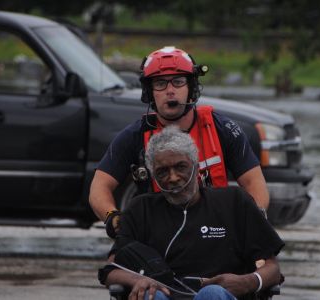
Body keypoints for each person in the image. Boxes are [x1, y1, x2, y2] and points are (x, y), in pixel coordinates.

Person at [89, 46, 269, 238]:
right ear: (149, 92)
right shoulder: (133, 136)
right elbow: (99, 187)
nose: (170, 91)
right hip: (162, 235)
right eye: (160, 83)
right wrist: (112, 217)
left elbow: (254, 182)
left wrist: (252, 222)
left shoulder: (222, 129)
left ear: (191, 88)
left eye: (178, 82)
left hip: (216, 233)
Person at [98, 126, 284, 300]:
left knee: (211, 293)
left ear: (196, 166)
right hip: (164, 293)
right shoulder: (141, 209)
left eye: (180, 167)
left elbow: (273, 268)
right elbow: (110, 270)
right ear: (153, 176)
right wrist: (137, 281)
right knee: (152, 294)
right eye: (162, 171)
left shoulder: (234, 202)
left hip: (220, 295)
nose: (173, 178)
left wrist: (247, 282)